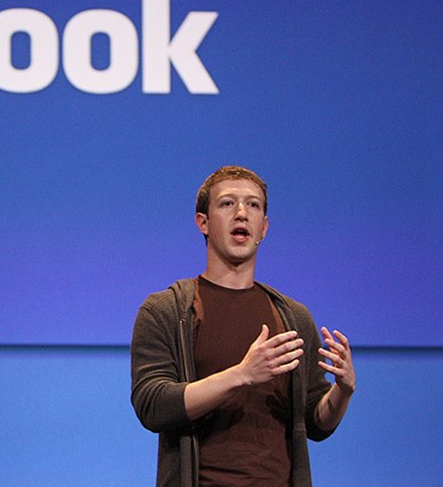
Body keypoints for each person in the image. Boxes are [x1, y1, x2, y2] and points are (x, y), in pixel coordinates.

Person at [129, 166, 356, 487]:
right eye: (227, 204)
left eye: (253, 205)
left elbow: (315, 423)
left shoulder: (292, 317)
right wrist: (242, 375)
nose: (241, 213)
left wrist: (342, 392)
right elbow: (154, 406)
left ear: (263, 228)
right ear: (202, 222)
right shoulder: (166, 310)